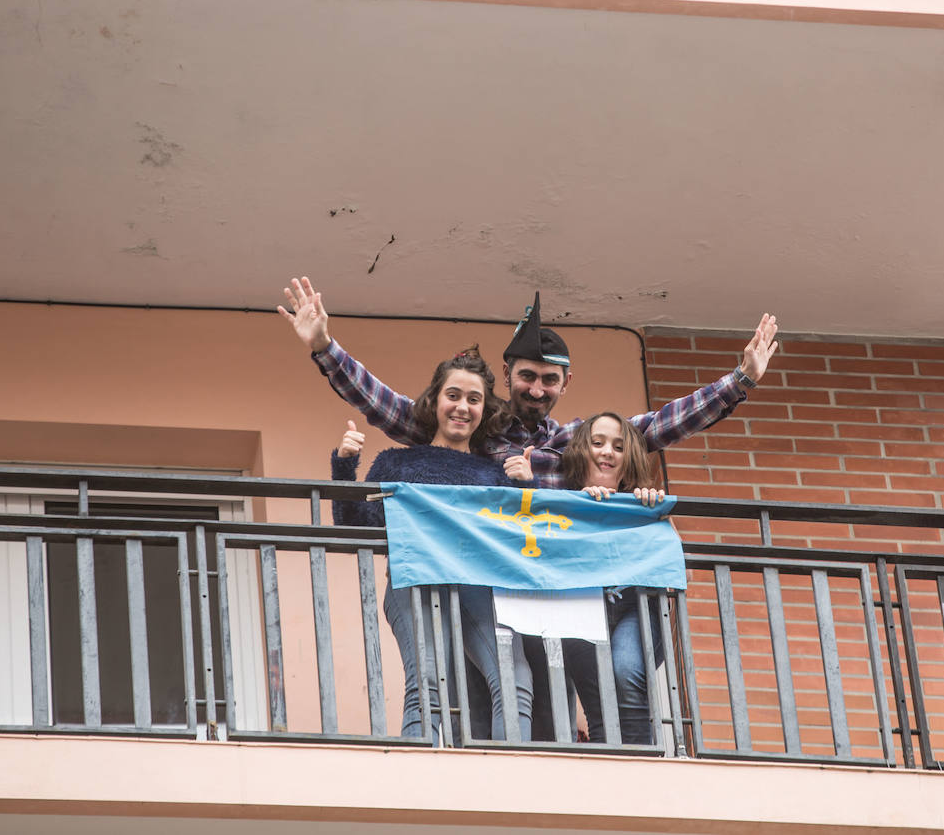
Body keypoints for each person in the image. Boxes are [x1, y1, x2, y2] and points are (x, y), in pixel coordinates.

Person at [278, 277, 779, 487]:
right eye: (526, 377)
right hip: (488, 580)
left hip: (555, 579)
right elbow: (383, 405)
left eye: (548, 380)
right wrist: (325, 347)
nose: (536, 389)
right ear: (509, 375)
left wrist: (738, 382)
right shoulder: (471, 428)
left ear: (566, 382)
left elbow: (660, 425)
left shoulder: (575, 441)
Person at [331, 347, 536, 743]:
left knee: (515, 678)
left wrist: (526, 486)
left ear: (485, 410)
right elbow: (352, 525)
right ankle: (416, 776)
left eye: (474, 399)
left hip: (478, 585)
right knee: (427, 682)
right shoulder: (397, 463)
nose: (462, 407)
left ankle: (516, 775)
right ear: (435, 402)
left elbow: (526, 539)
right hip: (415, 581)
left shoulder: (495, 473)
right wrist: (344, 464)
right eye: (453, 395)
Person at [554, 412, 668, 745]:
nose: (608, 452)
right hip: (580, 608)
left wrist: (655, 515)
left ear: (628, 459)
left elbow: (680, 571)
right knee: (600, 706)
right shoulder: (562, 503)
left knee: (626, 672)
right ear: (581, 452)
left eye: (618, 447)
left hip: (635, 607)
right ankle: (615, 778)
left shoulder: (643, 503)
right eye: (598, 443)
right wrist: (582, 509)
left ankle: (640, 769)